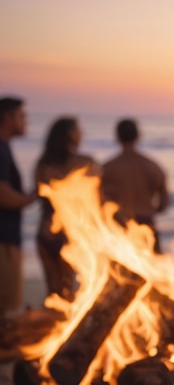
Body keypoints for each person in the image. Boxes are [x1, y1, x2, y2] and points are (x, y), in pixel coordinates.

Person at [34, 116, 96, 301]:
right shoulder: (84, 163)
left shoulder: (43, 164)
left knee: (53, 292)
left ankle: (51, 327)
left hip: (45, 230)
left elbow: (40, 195)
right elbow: (96, 202)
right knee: (69, 291)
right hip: (70, 232)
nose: (82, 134)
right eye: (78, 130)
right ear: (70, 134)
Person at [101, 118, 169, 254]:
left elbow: (99, 201)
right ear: (138, 136)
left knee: (119, 273)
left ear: (117, 137)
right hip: (146, 224)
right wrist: (149, 209)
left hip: (118, 225)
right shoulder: (152, 166)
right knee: (152, 272)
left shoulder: (107, 168)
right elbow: (163, 204)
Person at [0, 96, 36, 320]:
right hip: (3, 242)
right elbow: (4, 197)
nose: (26, 121)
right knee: (7, 310)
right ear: (7, 118)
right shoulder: (1, 151)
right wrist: (38, 194)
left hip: (7, 239)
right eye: (21, 116)